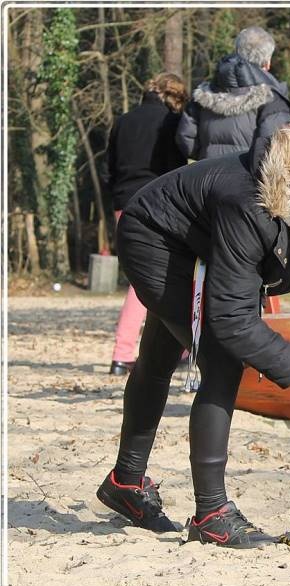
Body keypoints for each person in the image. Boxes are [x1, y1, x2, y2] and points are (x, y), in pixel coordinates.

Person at [96, 122, 290, 549]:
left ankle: (125, 482)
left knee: (160, 353)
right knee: (222, 360)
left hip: (202, 242)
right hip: (155, 238)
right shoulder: (249, 205)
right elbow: (233, 321)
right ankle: (211, 514)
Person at [106, 73, 189, 376]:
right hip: (155, 206)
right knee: (153, 280)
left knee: (141, 279)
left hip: (122, 203)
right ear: (175, 97)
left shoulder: (123, 121)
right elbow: (176, 171)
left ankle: (127, 352)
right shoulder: (171, 123)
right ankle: (125, 352)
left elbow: (109, 169)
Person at [175, 25, 290, 164]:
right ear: (267, 62)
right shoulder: (272, 99)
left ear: (237, 51)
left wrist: (205, 155)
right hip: (247, 174)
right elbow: (272, 147)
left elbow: (185, 137)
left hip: (206, 171)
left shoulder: (204, 93)